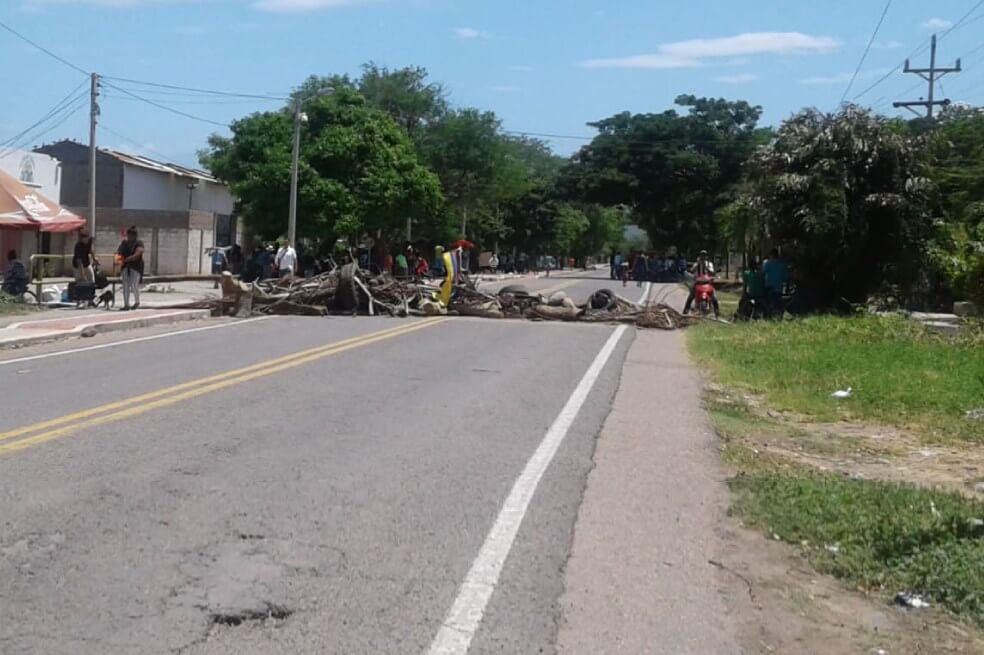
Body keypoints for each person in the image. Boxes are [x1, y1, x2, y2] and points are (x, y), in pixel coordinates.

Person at [117, 227, 144, 311]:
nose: (129, 237)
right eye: (128, 235)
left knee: (133, 284)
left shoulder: (139, 243)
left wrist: (128, 259)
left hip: (136, 267)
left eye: (131, 235)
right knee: (125, 285)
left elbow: (138, 254)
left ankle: (137, 302)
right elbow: (119, 252)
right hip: (125, 266)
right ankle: (126, 304)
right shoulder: (124, 243)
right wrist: (120, 259)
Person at [683, 250, 717, 315]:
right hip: (698, 283)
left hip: (707, 283)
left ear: (706, 257)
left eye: (704, 255)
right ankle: (685, 311)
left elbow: (712, 272)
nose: (703, 257)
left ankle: (717, 312)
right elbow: (692, 270)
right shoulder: (696, 264)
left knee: (714, 298)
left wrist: (706, 267)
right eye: (702, 255)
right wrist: (698, 264)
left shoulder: (709, 264)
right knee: (690, 297)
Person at [762, 248, 787, 319]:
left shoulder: (767, 263)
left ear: (771, 255)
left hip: (769, 287)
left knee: (769, 303)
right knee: (777, 304)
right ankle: (778, 317)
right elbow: (785, 276)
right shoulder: (782, 264)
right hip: (779, 287)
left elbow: (763, 273)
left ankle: (769, 316)